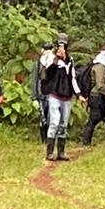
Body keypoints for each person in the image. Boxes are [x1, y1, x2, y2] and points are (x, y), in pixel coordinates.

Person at [41, 33, 77, 162]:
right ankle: (50, 152)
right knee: (54, 122)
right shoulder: (51, 58)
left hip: (67, 95)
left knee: (64, 124)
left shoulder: (70, 60)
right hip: (54, 95)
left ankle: (61, 151)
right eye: (60, 44)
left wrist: (78, 94)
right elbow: (48, 72)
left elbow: (72, 78)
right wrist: (57, 59)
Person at [80, 44, 105, 145]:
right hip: (97, 97)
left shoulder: (103, 64)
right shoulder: (100, 66)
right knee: (93, 120)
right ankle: (85, 142)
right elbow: (100, 85)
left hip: (100, 97)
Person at [31, 41, 54, 144]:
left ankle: (50, 139)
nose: (47, 52)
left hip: (52, 95)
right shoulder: (38, 64)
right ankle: (43, 140)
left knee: (51, 118)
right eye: (45, 49)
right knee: (42, 118)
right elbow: (34, 80)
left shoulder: (55, 63)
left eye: (49, 49)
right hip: (41, 94)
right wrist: (34, 97)